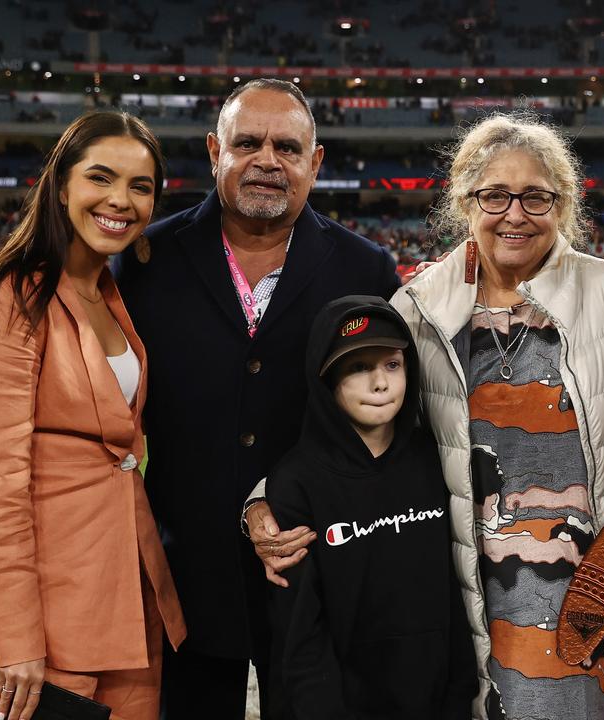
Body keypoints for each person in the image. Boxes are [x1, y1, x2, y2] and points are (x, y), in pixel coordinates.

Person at [113, 78, 400, 719]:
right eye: (248, 142)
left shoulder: (367, 270)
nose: (268, 160)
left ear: (315, 163)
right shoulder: (145, 261)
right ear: (216, 149)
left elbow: (384, 425)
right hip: (181, 572)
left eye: (288, 147)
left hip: (318, 565)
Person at [387, 113, 604, 719]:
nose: (515, 213)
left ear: (564, 203)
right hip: (468, 585)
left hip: (587, 588)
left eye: (536, 196)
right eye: (494, 195)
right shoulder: (419, 309)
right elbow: (361, 435)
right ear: (465, 200)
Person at [0, 111, 186, 720]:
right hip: (44, 621)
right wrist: (15, 638)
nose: (120, 201)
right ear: (60, 186)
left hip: (124, 603)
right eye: (100, 178)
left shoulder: (110, 294)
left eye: (140, 186)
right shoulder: (7, 298)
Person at [264, 295, 475, 719]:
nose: (380, 383)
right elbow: (300, 630)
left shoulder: (436, 458)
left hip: (435, 698)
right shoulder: (295, 481)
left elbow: (453, 594)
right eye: (359, 368)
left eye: (392, 365)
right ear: (326, 379)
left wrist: (458, 692)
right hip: (337, 702)